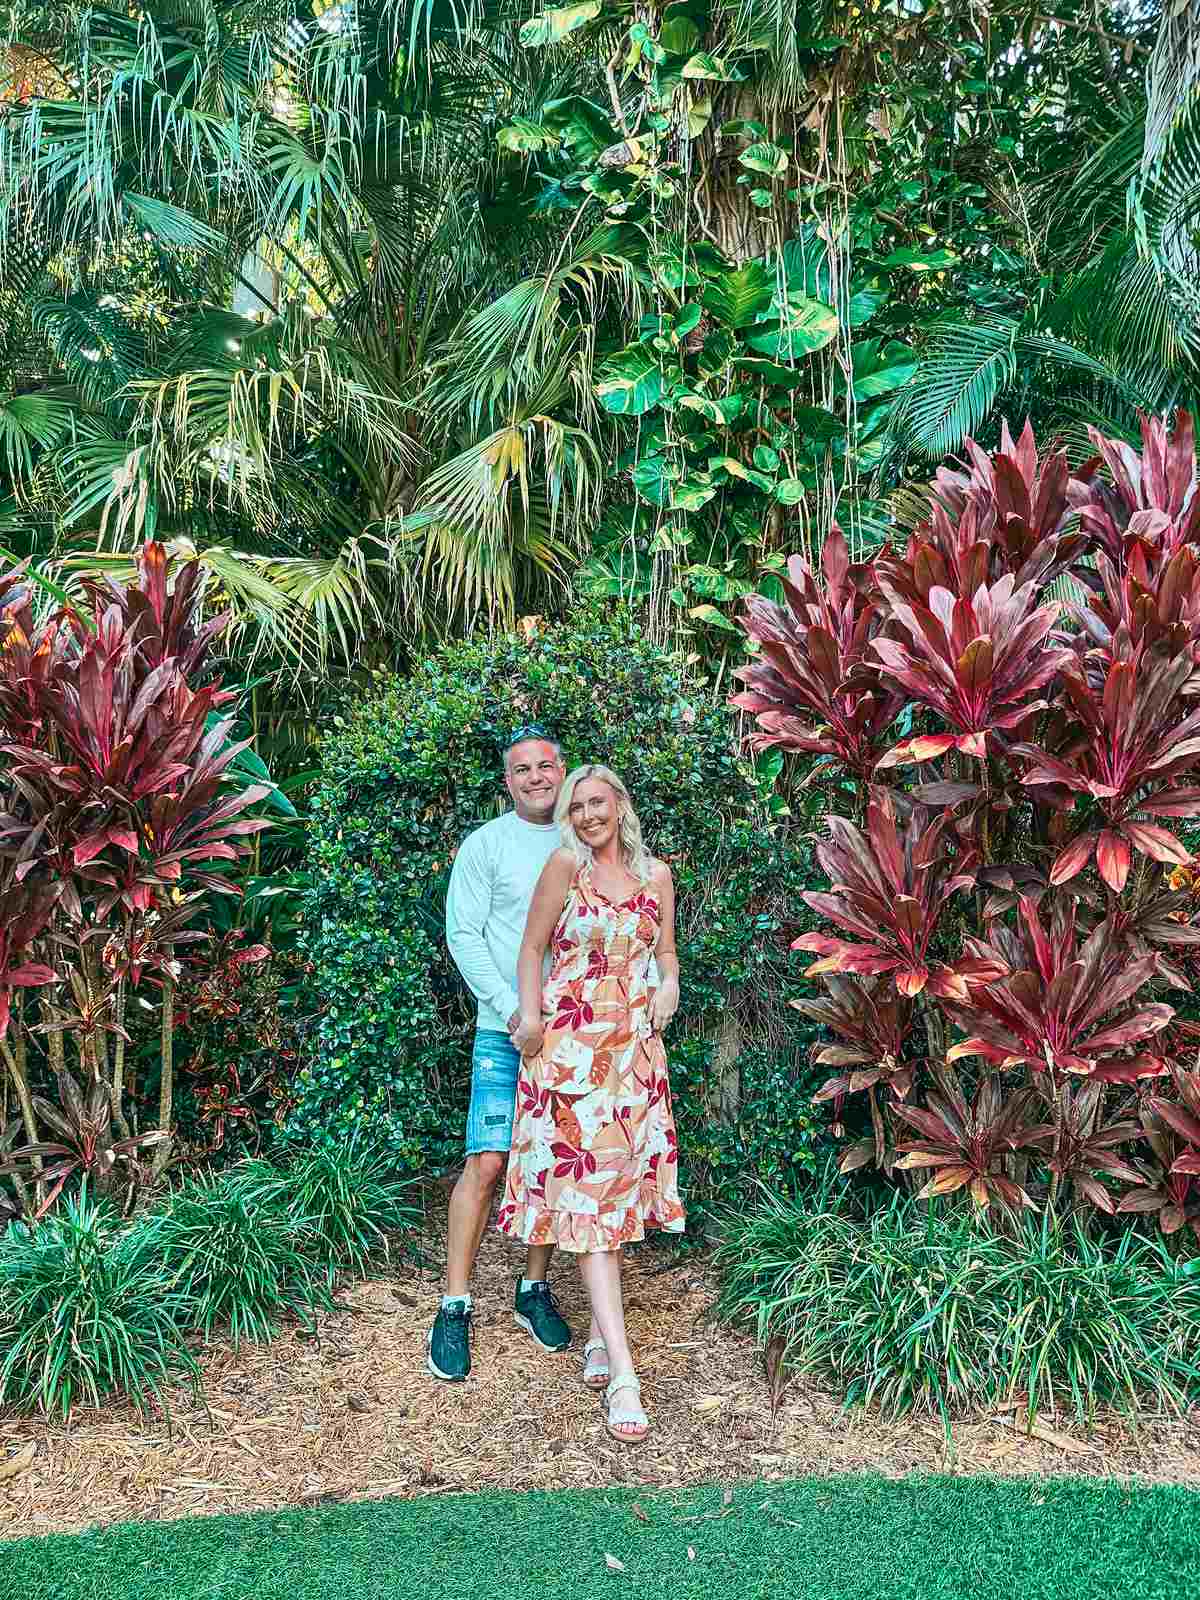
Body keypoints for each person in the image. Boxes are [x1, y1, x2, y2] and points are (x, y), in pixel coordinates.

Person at [498, 764, 685, 1444]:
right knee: (591, 1207)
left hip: (633, 1058)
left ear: (621, 805)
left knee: (615, 1202)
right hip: (569, 1062)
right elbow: (531, 948)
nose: (585, 815)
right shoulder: (562, 869)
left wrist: (667, 988)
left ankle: (602, 1340)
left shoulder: (655, 878)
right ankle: (626, 1376)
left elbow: (666, 955)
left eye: (596, 802)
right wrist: (529, 1021)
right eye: (576, 806)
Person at [427, 725, 574, 1382]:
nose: (537, 777)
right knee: (487, 1162)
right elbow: (464, 935)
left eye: (546, 766)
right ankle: (454, 1304)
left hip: (574, 1034)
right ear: (506, 780)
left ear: (562, 769)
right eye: (524, 769)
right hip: (504, 1030)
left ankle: (532, 1290)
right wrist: (515, 1011)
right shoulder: (484, 845)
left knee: (551, 1162)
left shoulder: (584, 836)